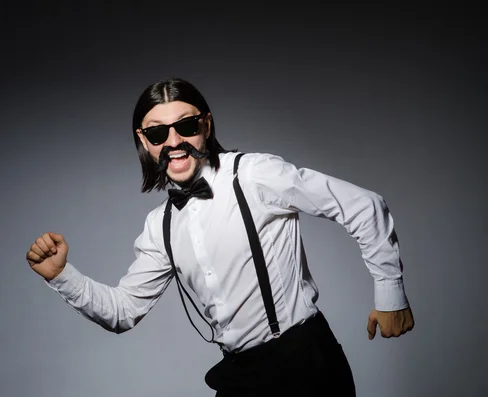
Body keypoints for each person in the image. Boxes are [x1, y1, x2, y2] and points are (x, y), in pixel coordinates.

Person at [25, 78, 414, 396]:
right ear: (144, 142)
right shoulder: (160, 226)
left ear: (206, 126)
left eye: (187, 126)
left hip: (304, 364)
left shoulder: (253, 174)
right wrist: (61, 275)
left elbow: (363, 206)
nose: (173, 141)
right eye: (159, 132)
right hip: (239, 375)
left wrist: (390, 292)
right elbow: (123, 312)